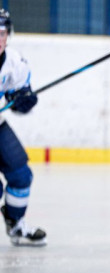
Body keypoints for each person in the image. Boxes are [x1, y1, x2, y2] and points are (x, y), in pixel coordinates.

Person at [0, 9, 46, 246]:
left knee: (21, 175)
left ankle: (16, 226)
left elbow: (17, 100)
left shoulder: (14, 62)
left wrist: (23, 100)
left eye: (2, 33)